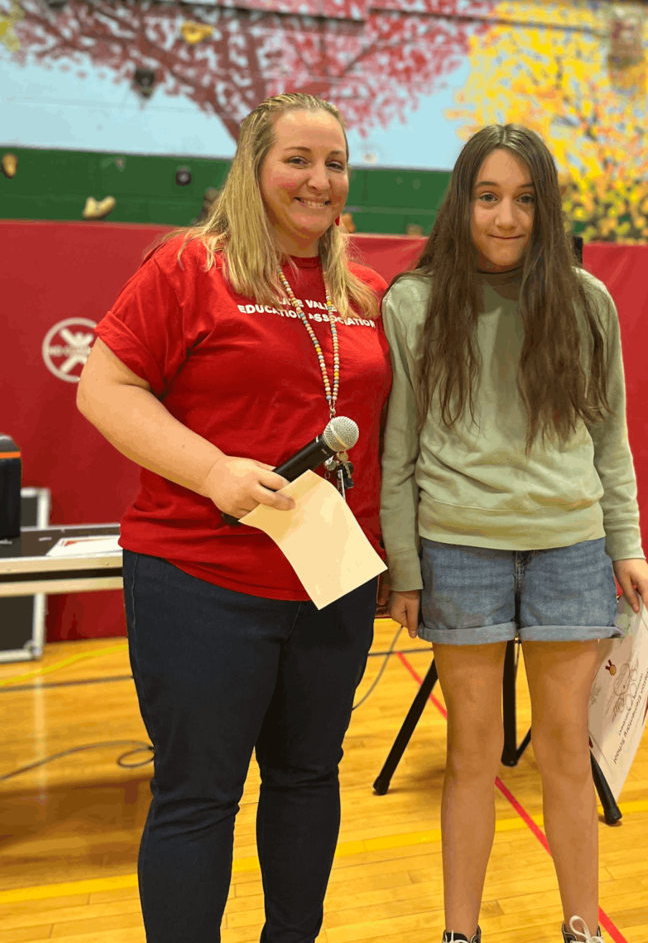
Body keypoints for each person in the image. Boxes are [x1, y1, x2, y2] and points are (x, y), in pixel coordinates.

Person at [77, 92, 392, 943]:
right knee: (199, 794)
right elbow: (102, 388)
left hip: (331, 586)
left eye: (334, 163)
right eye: (297, 159)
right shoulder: (189, 267)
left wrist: (394, 564)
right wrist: (213, 470)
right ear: (253, 167)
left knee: (306, 777)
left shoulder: (362, 295)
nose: (318, 180)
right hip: (200, 577)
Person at [380, 124, 648, 943]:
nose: (506, 218)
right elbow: (398, 447)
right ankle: (458, 932)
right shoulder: (413, 301)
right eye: (488, 197)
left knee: (565, 751)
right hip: (455, 551)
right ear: (461, 201)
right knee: (473, 751)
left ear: (546, 208)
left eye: (525, 201)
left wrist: (625, 543)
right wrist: (404, 566)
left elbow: (609, 437)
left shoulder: (585, 299)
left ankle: (580, 927)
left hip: (568, 549)